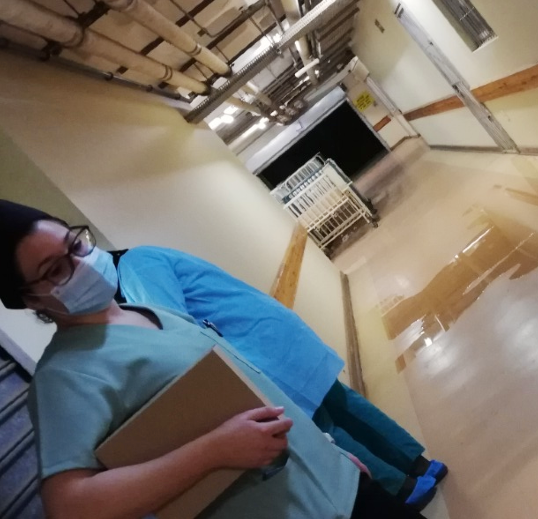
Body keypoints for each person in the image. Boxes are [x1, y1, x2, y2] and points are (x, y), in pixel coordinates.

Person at [0, 200, 425, 519]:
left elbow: (239, 392)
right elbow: (70, 505)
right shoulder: (65, 377)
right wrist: (213, 452)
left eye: (75, 244)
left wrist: (325, 450)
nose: (81, 263)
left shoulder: (147, 312)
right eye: (55, 269)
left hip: (340, 483)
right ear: (27, 299)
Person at [111, 245, 447, 508]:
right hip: (275, 338)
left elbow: (177, 333)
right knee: (346, 405)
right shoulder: (145, 256)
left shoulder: (133, 268)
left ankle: (402, 488)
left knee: (324, 428)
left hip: (260, 351)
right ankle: (419, 466)